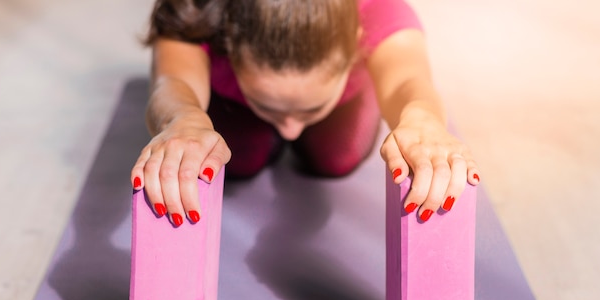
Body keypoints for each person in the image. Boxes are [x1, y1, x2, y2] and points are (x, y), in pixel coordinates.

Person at [131, 0, 480, 227]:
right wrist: (183, 121)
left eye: (311, 108)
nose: (291, 130)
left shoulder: (381, 12)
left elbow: (408, 79)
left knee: (336, 158)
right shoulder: (193, 13)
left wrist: (422, 120)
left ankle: (314, 105)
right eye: (267, 104)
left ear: (358, 41)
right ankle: (264, 115)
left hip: (348, 95)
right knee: (238, 161)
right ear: (229, 44)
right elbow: (174, 84)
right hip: (230, 101)